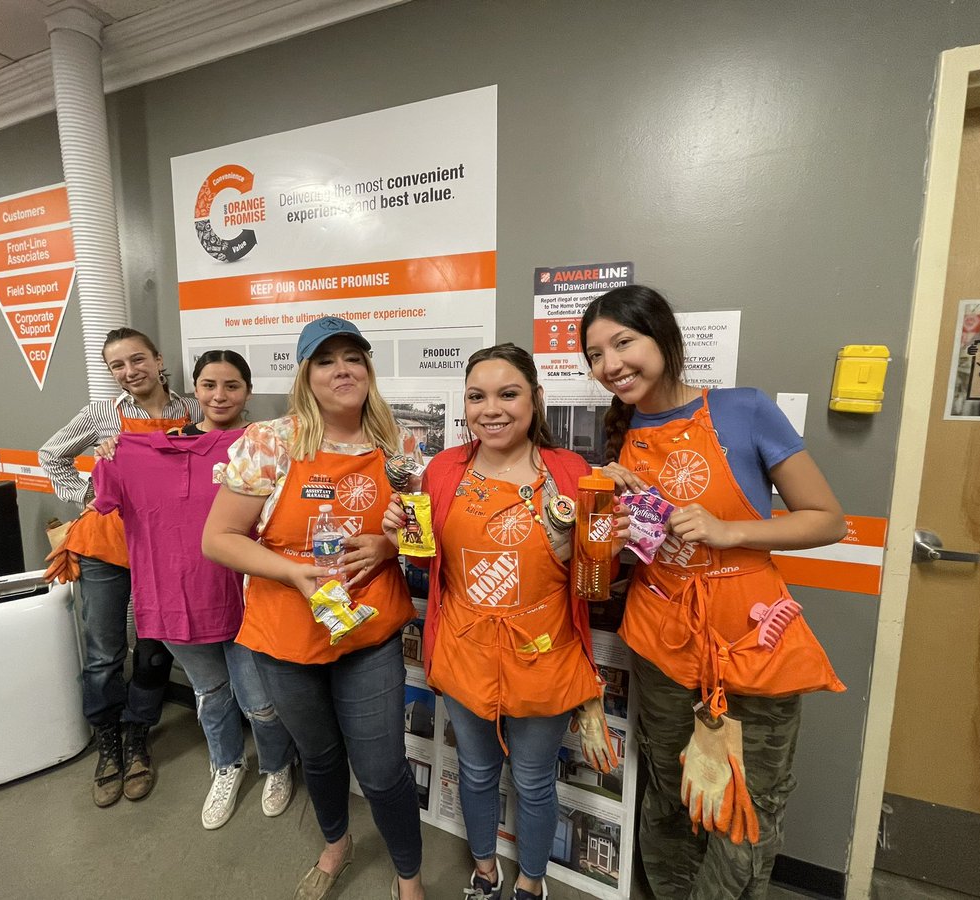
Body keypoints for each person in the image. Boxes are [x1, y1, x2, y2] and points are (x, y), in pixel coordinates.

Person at [579, 286, 847, 899]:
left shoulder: (744, 409)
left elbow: (828, 519)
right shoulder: (619, 437)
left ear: (665, 338)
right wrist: (607, 526)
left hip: (752, 637)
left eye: (623, 342)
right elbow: (633, 554)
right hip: (663, 637)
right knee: (675, 792)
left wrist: (729, 531)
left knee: (748, 799)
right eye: (595, 355)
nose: (610, 365)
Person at [382, 344, 625, 900]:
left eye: (508, 393)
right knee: (475, 772)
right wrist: (403, 535)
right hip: (465, 650)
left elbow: (598, 576)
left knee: (536, 781)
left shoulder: (570, 471)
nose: (491, 409)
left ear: (535, 399)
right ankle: (486, 869)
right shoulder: (443, 469)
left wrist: (578, 545)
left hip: (545, 653)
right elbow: (428, 561)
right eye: (477, 396)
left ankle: (532, 881)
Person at [202, 317, 426, 900]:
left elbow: (420, 533)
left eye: (353, 357)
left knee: (381, 770)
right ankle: (335, 845)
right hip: (285, 636)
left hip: (369, 631)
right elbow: (219, 538)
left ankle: (409, 876)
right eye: (326, 360)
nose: (342, 369)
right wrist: (292, 573)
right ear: (306, 374)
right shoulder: (270, 442)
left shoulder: (397, 445)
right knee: (320, 756)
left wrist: (388, 544)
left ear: (369, 371)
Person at [91, 350, 297, 829]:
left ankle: (277, 765)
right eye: (208, 385)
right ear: (194, 390)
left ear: (247, 391)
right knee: (210, 694)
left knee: (260, 702)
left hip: (248, 597)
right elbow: (98, 496)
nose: (219, 396)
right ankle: (226, 765)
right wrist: (109, 455)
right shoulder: (139, 449)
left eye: (231, 386)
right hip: (174, 598)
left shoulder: (266, 445)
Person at [40, 327, 200, 807]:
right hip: (106, 546)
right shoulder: (102, 415)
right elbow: (52, 454)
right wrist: (91, 496)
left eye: (137, 360)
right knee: (105, 651)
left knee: (154, 648)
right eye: (118, 366)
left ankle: (138, 733)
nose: (130, 372)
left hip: (164, 548)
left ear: (157, 358)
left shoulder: (191, 410)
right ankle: (108, 740)